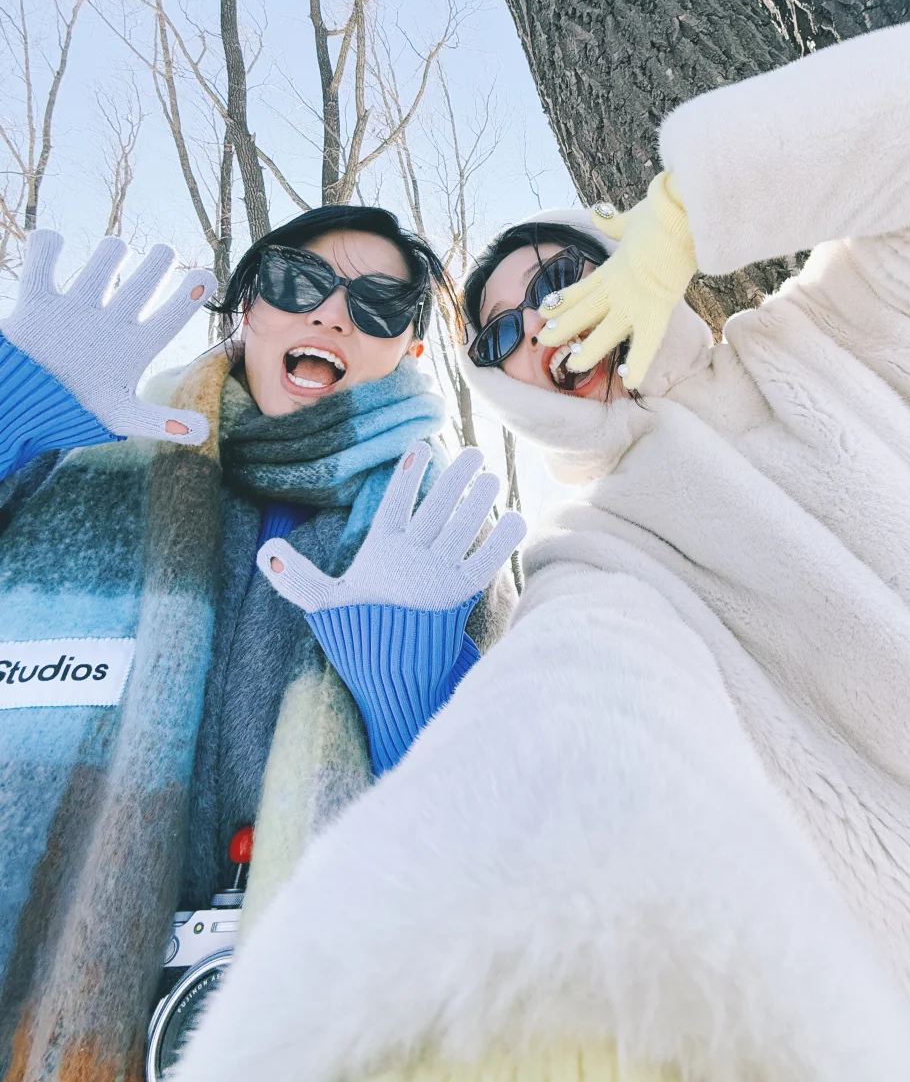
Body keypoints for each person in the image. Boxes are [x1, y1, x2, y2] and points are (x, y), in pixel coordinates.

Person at [173, 0, 910, 1082]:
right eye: (503, 332)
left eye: (560, 277)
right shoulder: (600, 559)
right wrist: (503, 993)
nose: (543, 324)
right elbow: (577, 715)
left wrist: (702, 200)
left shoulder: (866, 322)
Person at [0, 205, 522, 1082]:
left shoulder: (441, 542)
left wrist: (409, 698)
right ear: (248, 308)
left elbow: (507, 847)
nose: (331, 316)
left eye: (381, 306)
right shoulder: (74, 453)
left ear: (412, 354)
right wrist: (12, 418)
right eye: (297, 283)